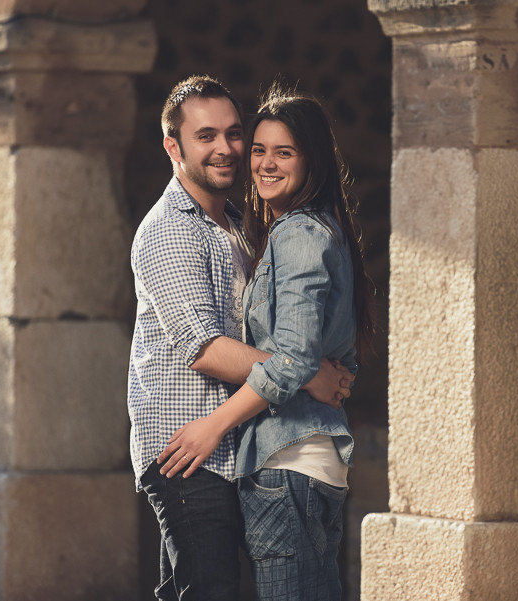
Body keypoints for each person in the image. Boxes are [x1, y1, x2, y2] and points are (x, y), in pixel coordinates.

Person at [128, 75, 352, 601]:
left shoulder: (240, 224)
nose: (225, 149)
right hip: (190, 448)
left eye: (233, 134)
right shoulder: (169, 229)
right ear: (173, 146)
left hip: (238, 444)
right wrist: (306, 375)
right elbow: (203, 348)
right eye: (206, 136)